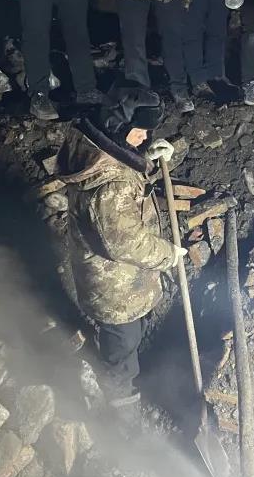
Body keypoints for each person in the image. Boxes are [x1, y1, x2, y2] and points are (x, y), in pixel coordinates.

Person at [59, 85, 187, 433]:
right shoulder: (109, 185)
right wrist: (168, 254)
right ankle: (122, 407)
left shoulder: (100, 143)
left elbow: (127, 170)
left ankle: (126, 370)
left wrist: (149, 157)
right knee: (122, 344)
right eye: (140, 130)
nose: (145, 136)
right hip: (114, 284)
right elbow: (124, 242)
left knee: (133, 331)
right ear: (118, 124)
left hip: (123, 279)